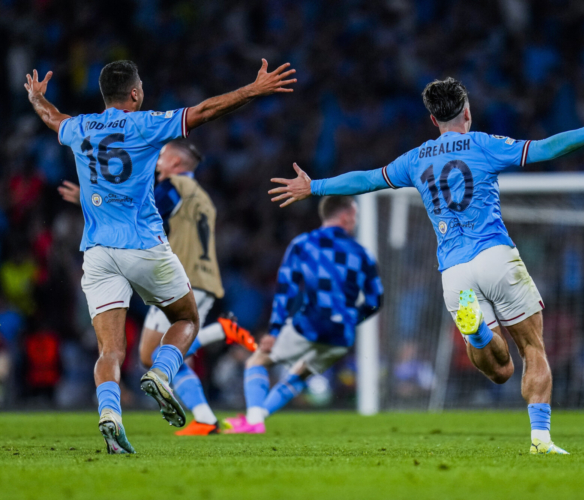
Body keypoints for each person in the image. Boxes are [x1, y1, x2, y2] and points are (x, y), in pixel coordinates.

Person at [268, 77, 584, 454]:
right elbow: (546, 149)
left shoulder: (415, 159)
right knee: (533, 348)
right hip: (495, 255)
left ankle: (479, 332)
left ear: (433, 121)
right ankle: (541, 440)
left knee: (499, 372)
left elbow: (366, 180)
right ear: (467, 112)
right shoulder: (484, 144)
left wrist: (314, 186)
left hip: (454, 272)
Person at [25, 58, 296, 453]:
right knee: (186, 318)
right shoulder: (145, 123)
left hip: (98, 252)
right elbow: (203, 111)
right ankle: (163, 374)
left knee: (110, 351)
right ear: (134, 93)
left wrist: (35, 98)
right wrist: (252, 90)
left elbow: (53, 118)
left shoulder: (80, 126)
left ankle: (110, 415)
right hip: (144, 245)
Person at [58, 139, 258, 436]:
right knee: (161, 352)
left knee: (154, 354)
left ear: (176, 164)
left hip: (177, 277)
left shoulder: (172, 187)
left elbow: (139, 212)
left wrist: (89, 202)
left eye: (161, 157)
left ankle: (219, 334)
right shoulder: (202, 196)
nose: (157, 163)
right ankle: (205, 416)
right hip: (205, 276)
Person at [223, 196, 383, 434]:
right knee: (300, 373)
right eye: (355, 215)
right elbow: (375, 300)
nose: (356, 220)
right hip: (342, 337)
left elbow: (286, 290)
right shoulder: (362, 253)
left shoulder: (304, 244)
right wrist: (350, 320)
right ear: (346, 216)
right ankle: (257, 418)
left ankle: (254, 421)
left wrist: (274, 331)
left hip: (312, 323)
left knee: (257, 361)